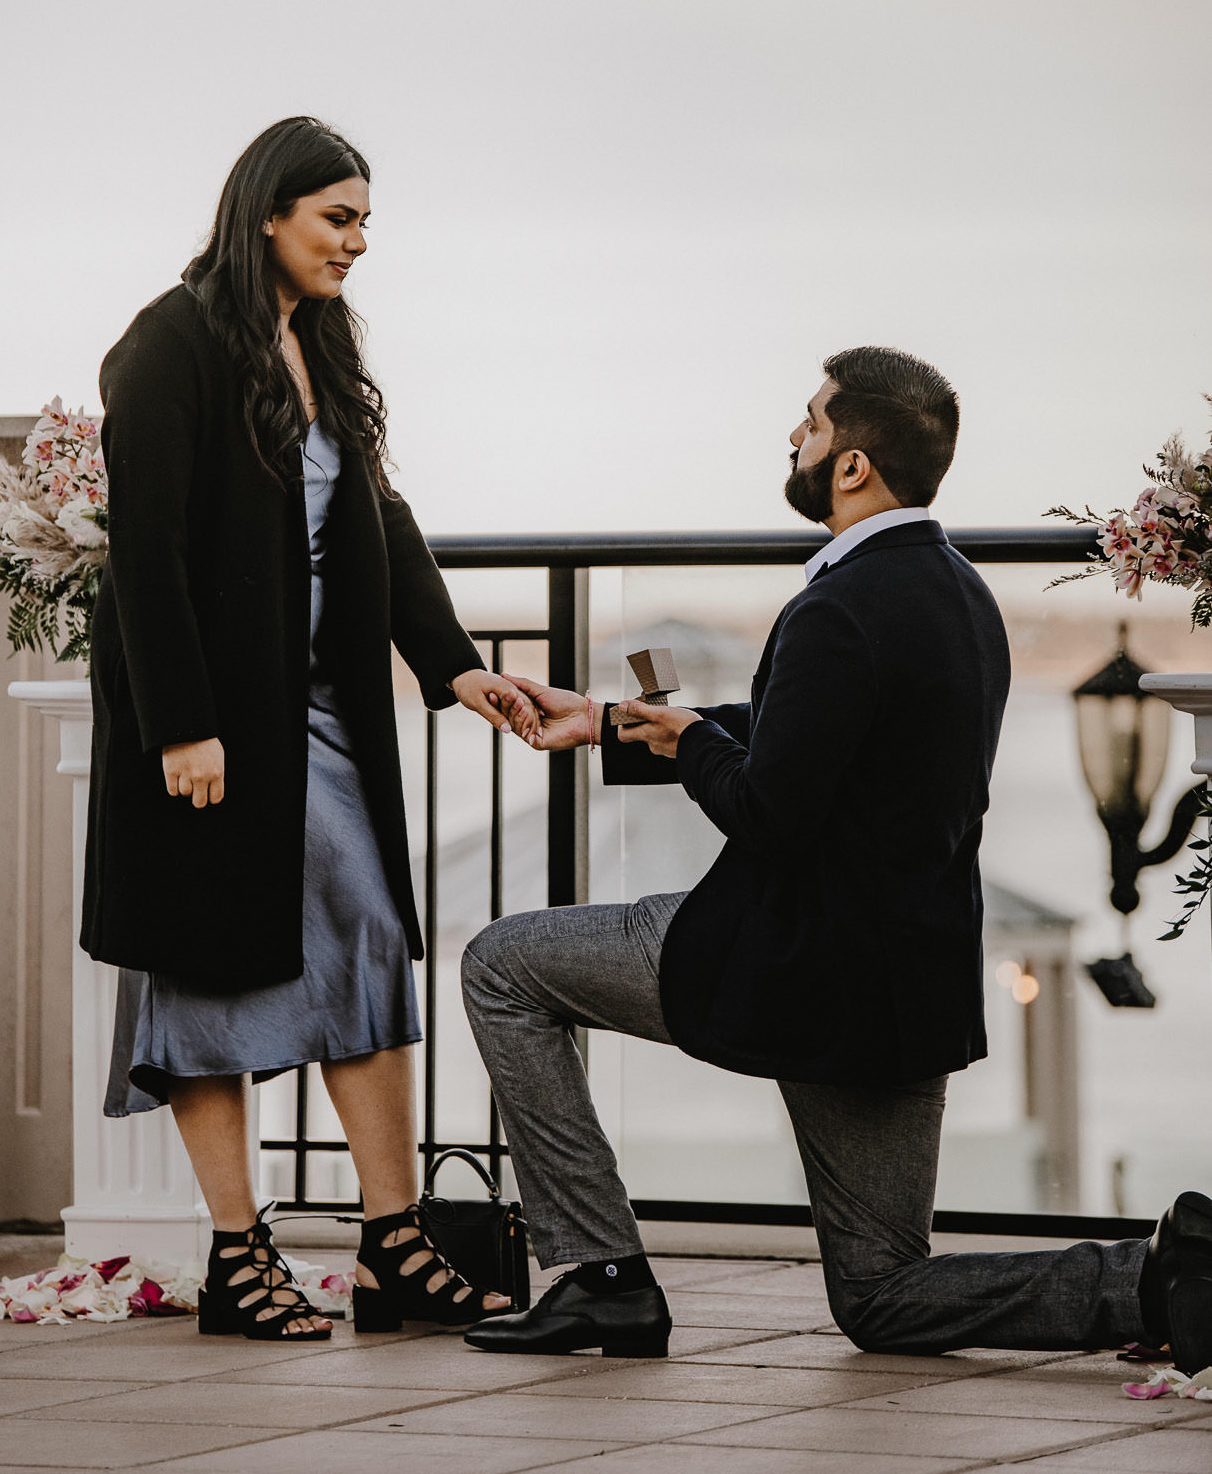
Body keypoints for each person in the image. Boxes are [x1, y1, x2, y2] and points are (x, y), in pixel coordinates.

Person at [460, 345, 1212, 1369]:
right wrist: (603, 719)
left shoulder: (837, 606)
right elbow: (800, 736)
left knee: (503, 962)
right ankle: (1156, 1278)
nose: (794, 436)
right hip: (906, 978)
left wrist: (695, 744)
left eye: (809, 422)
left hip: (794, 955)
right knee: (883, 1294)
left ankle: (601, 1275)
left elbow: (767, 805)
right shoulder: (958, 594)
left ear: (852, 462)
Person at [85, 116, 535, 1342]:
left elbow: (380, 518)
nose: (357, 243)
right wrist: (183, 723)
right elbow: (148, 553)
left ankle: (392, 1243)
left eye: (365, 223)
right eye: (339, 218)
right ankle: (241, 1253)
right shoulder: (170, 344)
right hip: (215, 727)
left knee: (373, 940)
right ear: (267, 214)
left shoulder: (320, 347)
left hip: (327, 717)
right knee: (207, 971)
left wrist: (454, 666)